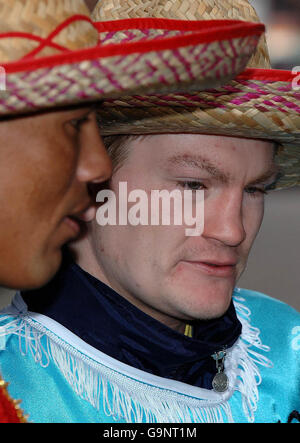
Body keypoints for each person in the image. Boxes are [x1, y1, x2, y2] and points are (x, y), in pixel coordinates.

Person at [1, 0, 298, 423]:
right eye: (193, 185)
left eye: (255, 188)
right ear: (89, 179)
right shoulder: (13, 387)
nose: (232, 231)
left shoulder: (286, 345)